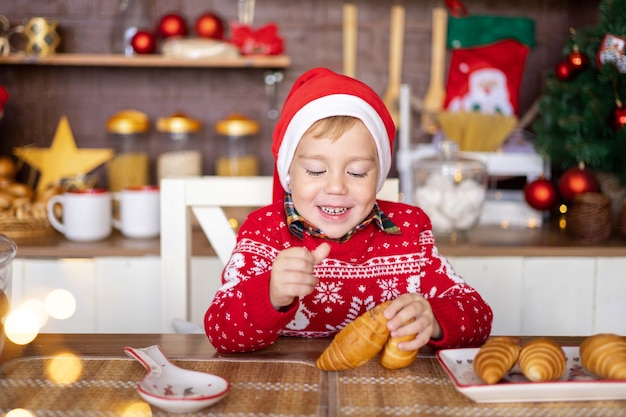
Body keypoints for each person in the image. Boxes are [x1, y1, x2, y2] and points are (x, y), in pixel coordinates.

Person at [205, 67, 493, 353]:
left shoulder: (407, 230)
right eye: (316, 171)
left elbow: (478, 316)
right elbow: (220, 332)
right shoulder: (265, 231)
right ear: (288, 174)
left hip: (382, 392)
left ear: (378, 176)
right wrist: (270, 293)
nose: (336, 187)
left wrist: (434, 318)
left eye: (356, 173)